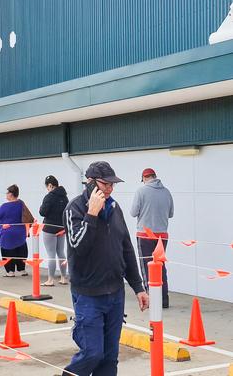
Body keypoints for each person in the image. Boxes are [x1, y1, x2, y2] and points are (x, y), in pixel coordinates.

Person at [63, 161, 149, 376]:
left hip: (115, 294)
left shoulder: (115, 208)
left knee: (110, 358)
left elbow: (126, 249)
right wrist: (91, 214)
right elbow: (78, 246)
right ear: (90, 183)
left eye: (112, 184)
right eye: (105, 184)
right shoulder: (74, 208)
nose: (109, 189)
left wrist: (138, 287)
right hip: (88, 295)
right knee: (93, 353)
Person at [130, 167, 174, 308]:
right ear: (155, 176)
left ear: (144, 178)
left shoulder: (141, 191)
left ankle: (152, 299)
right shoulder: (167, 192)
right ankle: (164, 300)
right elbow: (171, 213)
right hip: (162, 235)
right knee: (160, 266)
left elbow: (133, 212)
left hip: (145, 235)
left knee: (146, 266)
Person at [0, 184, 33, 277]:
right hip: (20, 232)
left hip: (8, 233)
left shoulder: (5, 206)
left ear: (11, 194)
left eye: (7, 193)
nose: (6, 195)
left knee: (7, 252)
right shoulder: (21, 203)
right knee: (21, 251)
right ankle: (22, 269)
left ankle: (10, 271)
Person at [39, 175, 69, 286]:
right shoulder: (64, 197)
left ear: (50, 185)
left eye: (47, 186)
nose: (47, 189)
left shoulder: (49, 197)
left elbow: (42, 212)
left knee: (51, 254)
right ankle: (63, 278)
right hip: (61, 228)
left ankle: (50, 280)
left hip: (49, 228)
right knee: (61, 252)